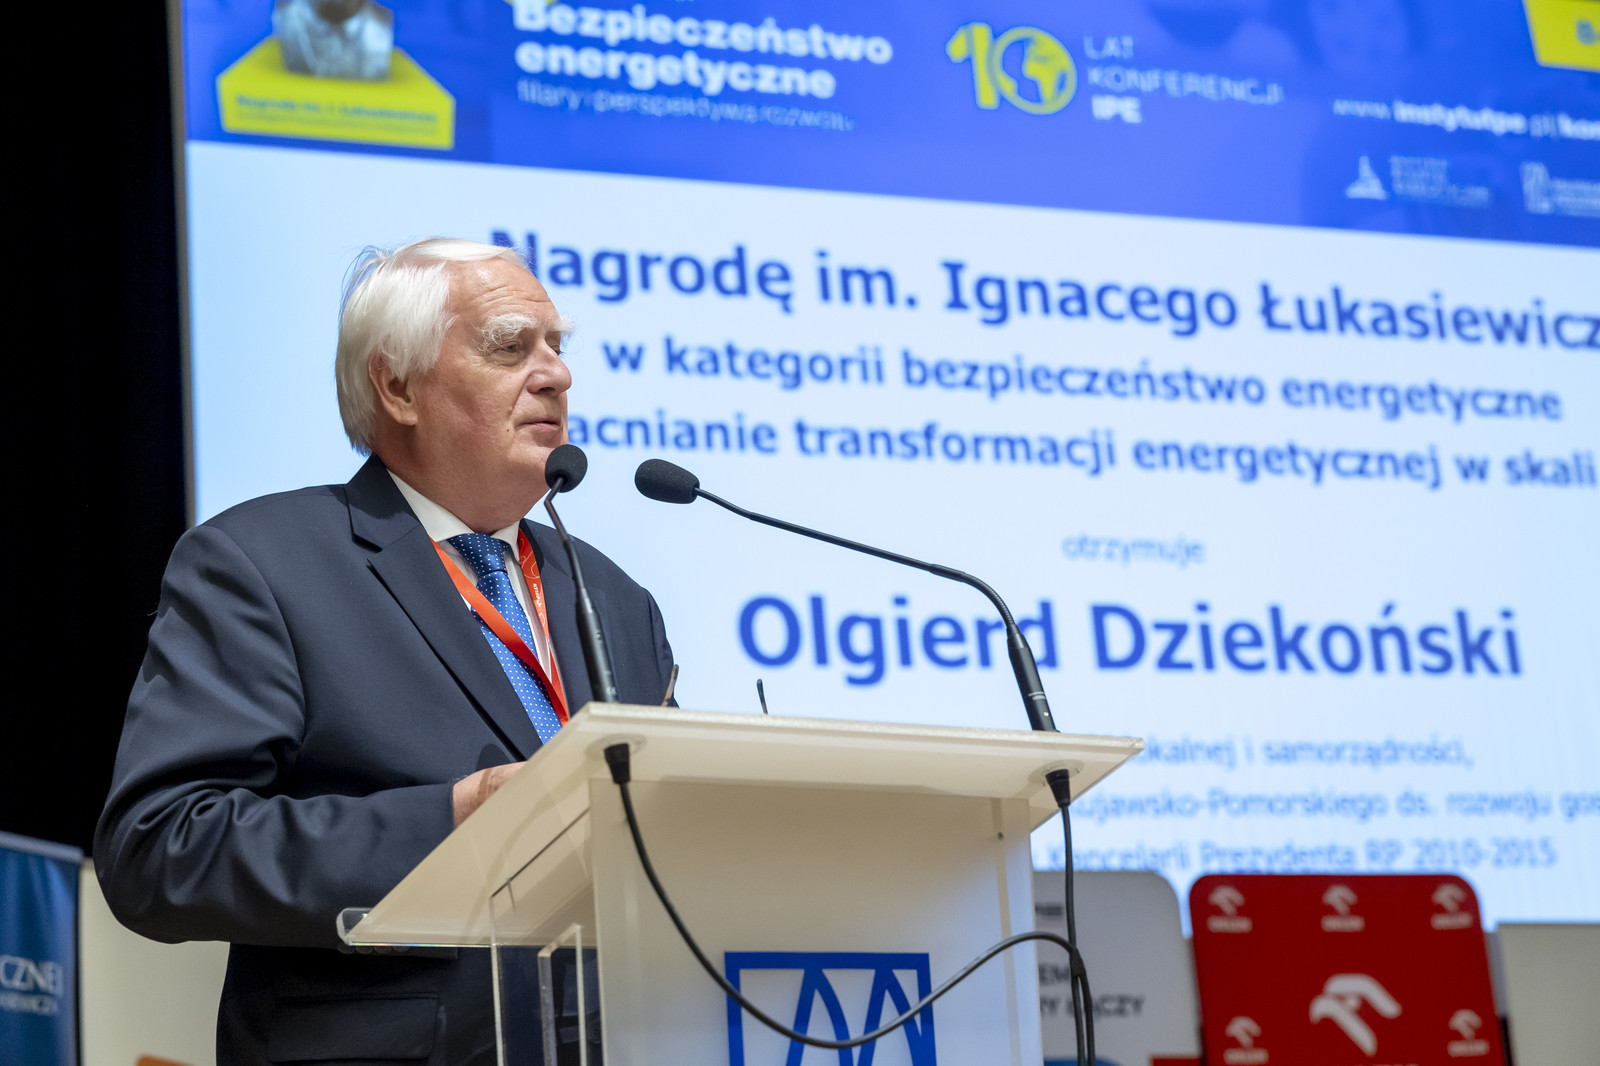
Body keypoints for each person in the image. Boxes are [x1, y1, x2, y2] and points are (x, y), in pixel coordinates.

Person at [94, 238, 675, 1064]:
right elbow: (160, 848)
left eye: (556, 346)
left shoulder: (613, 597)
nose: (557, 374)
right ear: (397, 387)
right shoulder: (263, 563)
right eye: (511, 347)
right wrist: (450, 822)